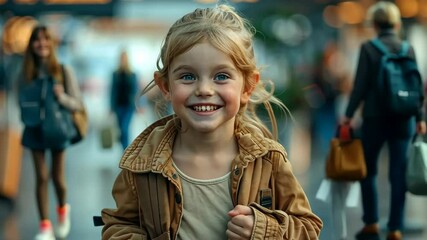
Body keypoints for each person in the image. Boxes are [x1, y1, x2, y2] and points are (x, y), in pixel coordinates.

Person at [101, 5, 322, 239]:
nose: (204, 89)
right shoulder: (142, 162)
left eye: (221, 76)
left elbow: (308, 227)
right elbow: (119, 224)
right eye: (188, 76)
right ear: (165, 86)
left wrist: (263, 230)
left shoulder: (269, 161)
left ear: (248, 86)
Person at [341, 2, 426, 240]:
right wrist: (420, 118)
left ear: (375, 24)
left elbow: (360, 86)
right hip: (404, 118)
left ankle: (371, 224)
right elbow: (416, 86)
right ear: (396, 23)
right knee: (398, 173)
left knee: (368, 170)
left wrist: (348, 115)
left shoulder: (369, 48)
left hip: (375, 118)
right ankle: (396, 228)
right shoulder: (407, 48)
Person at [19, 25, 84, 240]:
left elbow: (77, 104)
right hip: (34, 128)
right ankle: (45, 226)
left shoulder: (63, 71)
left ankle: (63, 210)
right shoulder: (26, 73)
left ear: (51, 43)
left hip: (57, 129)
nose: (42, 44)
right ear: (31, 45)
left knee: (57, 178)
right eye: (37, 40)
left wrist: (62, 96)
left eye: (45, 39)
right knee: (41, 177)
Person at [110, 49, 139, 150]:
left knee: (125, 128)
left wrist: (140, 105)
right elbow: (112, 91)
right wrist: (111, 107)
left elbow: (137, 91)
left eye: (124, 58)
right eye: (121, 58)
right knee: (121, 129)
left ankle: (126, 151)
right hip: (118, 106)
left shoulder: (133, 74)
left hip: (129, 106)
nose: (123, 60)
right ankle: (124, 149)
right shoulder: (115, 74)